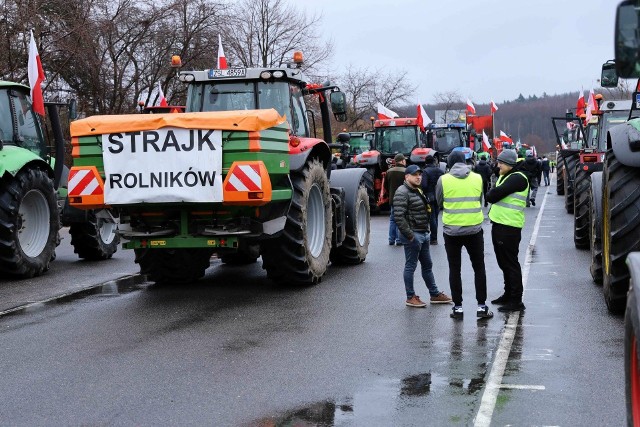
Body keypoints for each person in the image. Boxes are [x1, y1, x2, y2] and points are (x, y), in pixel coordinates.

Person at [436, 151, 492, 319]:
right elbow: (480, 199)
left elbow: (439, 202)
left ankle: (458, 308)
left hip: (451, 231)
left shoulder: (443, 180)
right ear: (465, 161)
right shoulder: (476, 178)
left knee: (455, 269)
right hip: (474, 230)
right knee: (479, 268)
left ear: (450, 163)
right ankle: (481, 307)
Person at [394, 164, 452, 307]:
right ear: (407, 177)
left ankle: (434, 294)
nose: (419, 177)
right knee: (411, 266)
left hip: (423, 233)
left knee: (427, 265)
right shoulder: (402, 192)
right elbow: (399, 217)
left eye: (420, 174)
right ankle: (410, 297)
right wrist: (410, 235)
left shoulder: (417, 190)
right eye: (415, 175)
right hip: (413, 235)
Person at [485, 149, 529, 312]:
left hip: (509, 227)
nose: (498, 166)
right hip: (501, 224)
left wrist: (490, 192)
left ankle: (516, 300)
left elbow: (493, 195)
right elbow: (496, 175)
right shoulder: (508, 175)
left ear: (510, 164)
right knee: (503, 263)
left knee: (510, 264)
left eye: (501, 163)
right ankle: (508, 294)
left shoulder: (517, 178)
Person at [420, 153, 444, 245]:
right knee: (436, 217)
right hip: (439, 196)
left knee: (432, 218)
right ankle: (434, 237)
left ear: (426, 162)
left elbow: (424, 185)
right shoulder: (440, 170)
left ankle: (433, 238)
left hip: (429, 197)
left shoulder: (425, 171)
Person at [385, 153, 406, 245]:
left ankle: (391, 239)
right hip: (403, 198)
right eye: (404, 160)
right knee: (401, 219)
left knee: (393, 219)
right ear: (401, 161)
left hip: (393, 198)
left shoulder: (389, 171)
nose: (405, 161)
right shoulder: (406, 171)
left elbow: (386, 185)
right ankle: (399, 239)